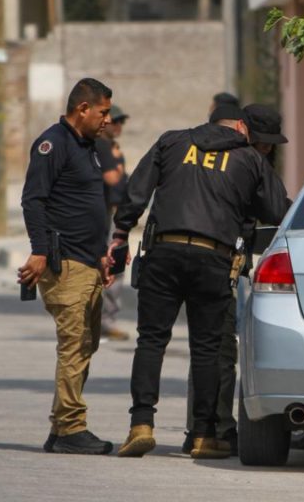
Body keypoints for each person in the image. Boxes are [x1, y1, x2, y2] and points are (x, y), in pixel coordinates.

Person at [108, 103, 289, 459]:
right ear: (242, 127)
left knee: (151, 340)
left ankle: (141, 424)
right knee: (206, 348)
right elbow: (277, 210)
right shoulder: (249, 159)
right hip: (214, 258)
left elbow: (137, 191)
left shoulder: (172, 142)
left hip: (164, 251)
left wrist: (120, 233)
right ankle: (205, 435)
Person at [181, 103, 289, 455]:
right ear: (246, 133)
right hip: (218, 266)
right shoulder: (241, 162)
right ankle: (213, 429)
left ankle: (205, 427)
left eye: (272, 145)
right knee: (218, 350)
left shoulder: (244, 162)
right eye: (263, 142)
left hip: (230, 264)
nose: (267, 150)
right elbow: (275, 209)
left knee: (213, 349)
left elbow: (273, 209)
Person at [17, 77, 117, 455]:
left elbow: (85, 207)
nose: (107, 119)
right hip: (65, 264)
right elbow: (33, 200)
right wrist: (39, 251)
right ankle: (72, 428)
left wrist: (102, 255)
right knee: (73, 346)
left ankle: (62, 429)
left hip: (88, 263)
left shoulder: (87, 146)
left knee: (85, 346)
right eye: (103, 112)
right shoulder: (52, 144)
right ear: (83, 109)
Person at [95, 105, 132, 341]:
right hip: (101, 217)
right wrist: (117, 163)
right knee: (112, 267)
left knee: (112, 267)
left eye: (121, 121)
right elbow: (113, 180)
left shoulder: (111, 147)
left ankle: (103, 320)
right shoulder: (103, 147)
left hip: (111, 215)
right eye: (115, 121)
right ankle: (104, 321)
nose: (118, 126)